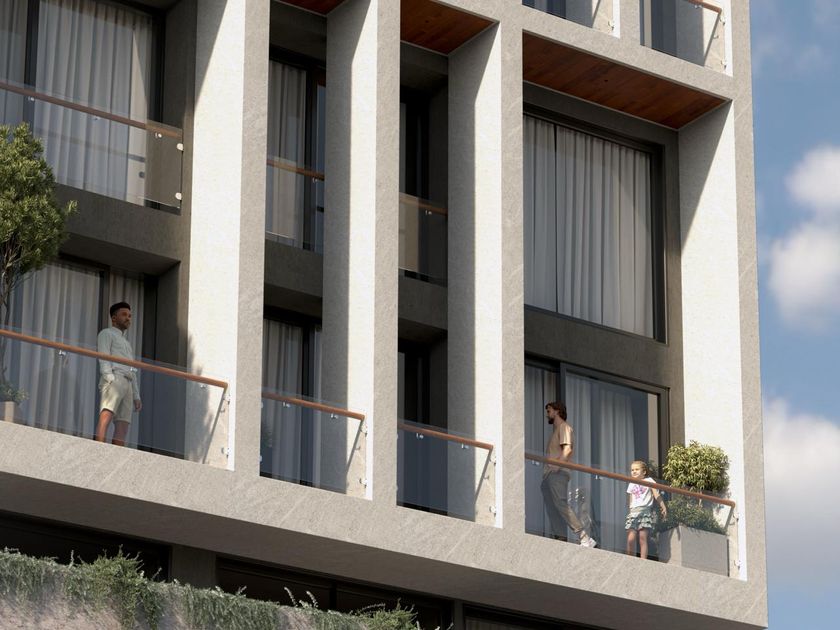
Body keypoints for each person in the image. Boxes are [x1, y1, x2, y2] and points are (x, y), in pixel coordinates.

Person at [540, 401, 597, 548]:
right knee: (553, 507)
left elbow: (567, 450)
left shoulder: (564, 427)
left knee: (560, 503)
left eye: (549, 411)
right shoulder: (556, 431)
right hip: (549, 474)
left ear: (557, 411)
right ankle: (560, 538)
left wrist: (557, 465)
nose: (547, 414)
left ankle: (584, 537)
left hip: (557, 473)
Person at [95, 302, 141, 446]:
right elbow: (103, 356)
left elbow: (132, 368)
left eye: (130, 316)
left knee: (123, 424)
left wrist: (136, 395)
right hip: (115, 378)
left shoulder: (127, 343)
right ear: (114, 318)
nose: (128, 318)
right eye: (124, 314)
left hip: (128, 382)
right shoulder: (106, 333)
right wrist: (109, 378)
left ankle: (116, 455)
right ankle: (97, 449)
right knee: (106, 415)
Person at [625, 460, 667, 560]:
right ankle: (629, 559)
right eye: (632, 470)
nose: (634, 471)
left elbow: (656, 494)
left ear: (644, 472)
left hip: (645, 512)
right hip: (633, 513)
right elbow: (630, 500)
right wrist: (629, 513)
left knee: (642, 538)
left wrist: (663, 506)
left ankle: (643, 561)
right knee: (630, 539)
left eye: (636, 469)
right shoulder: (631, 483)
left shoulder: (649, 480)